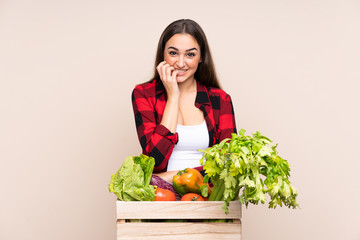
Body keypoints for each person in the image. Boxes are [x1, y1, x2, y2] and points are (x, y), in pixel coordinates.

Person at [132, 19, 237, 182]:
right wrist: (173, 97)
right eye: (173, 53)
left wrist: (169, 177)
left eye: (190, 54)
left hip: (206, 196)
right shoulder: (144, 94)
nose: (180, 63)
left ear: (201, 57)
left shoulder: (220, 99)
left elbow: (227, 164)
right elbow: (155, 160)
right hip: (161, 197)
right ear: (163, 54)